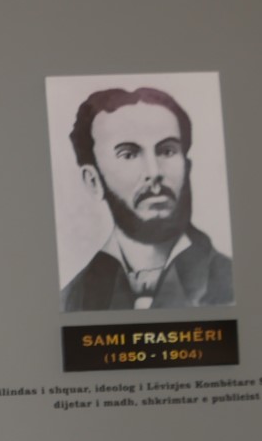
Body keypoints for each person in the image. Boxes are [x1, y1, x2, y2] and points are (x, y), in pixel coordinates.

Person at [60, 86, 232, 311]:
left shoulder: (231, 283)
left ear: (187, 167)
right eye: (129, 154)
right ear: (94, 181)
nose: (154, 172)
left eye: (167, 151)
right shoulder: (70, 301)